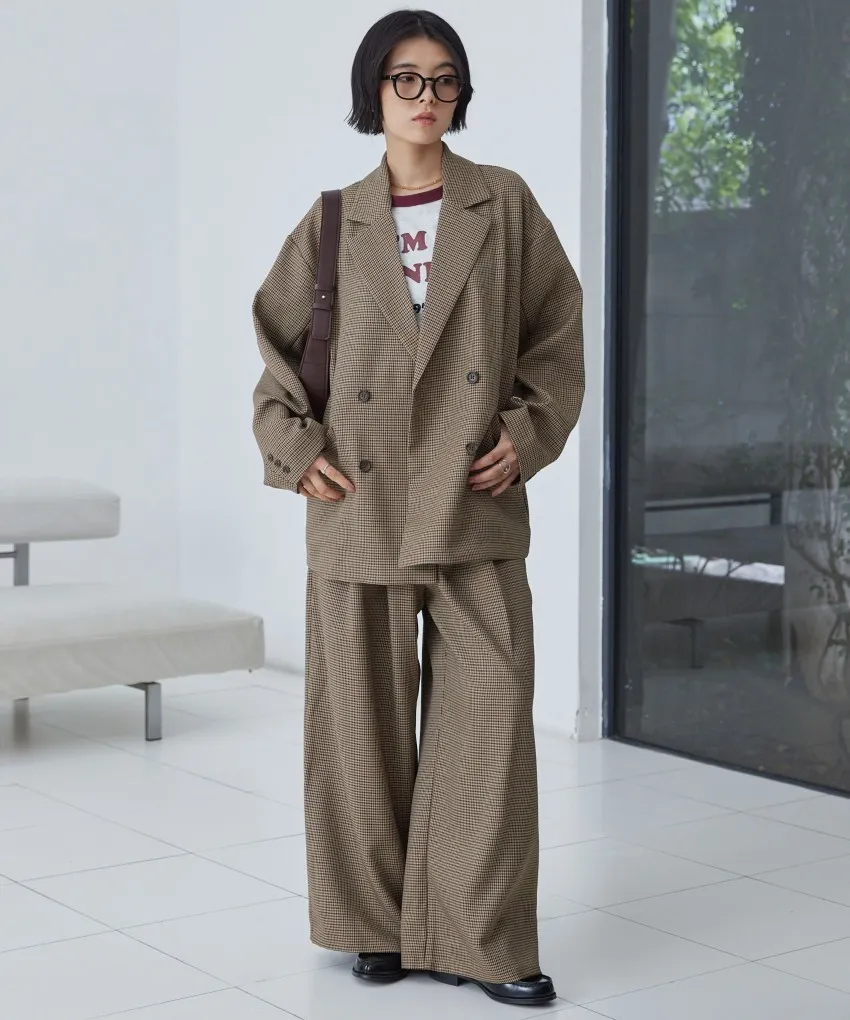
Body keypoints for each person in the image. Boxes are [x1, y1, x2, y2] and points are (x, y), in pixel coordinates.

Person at [251, 8, 583, 1008]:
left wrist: (528, 434)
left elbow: (556, 336)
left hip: (475, 497)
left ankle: (484, 939)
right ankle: (374, 926)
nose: (425, 96)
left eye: (443, 79)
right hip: (360, 499)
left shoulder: (503, 203)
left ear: (460, 92)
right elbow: (275, 358)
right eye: (405, 78)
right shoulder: (332, 219)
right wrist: (295, 451)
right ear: (375, 92)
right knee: (360, 730)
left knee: (490, 727)